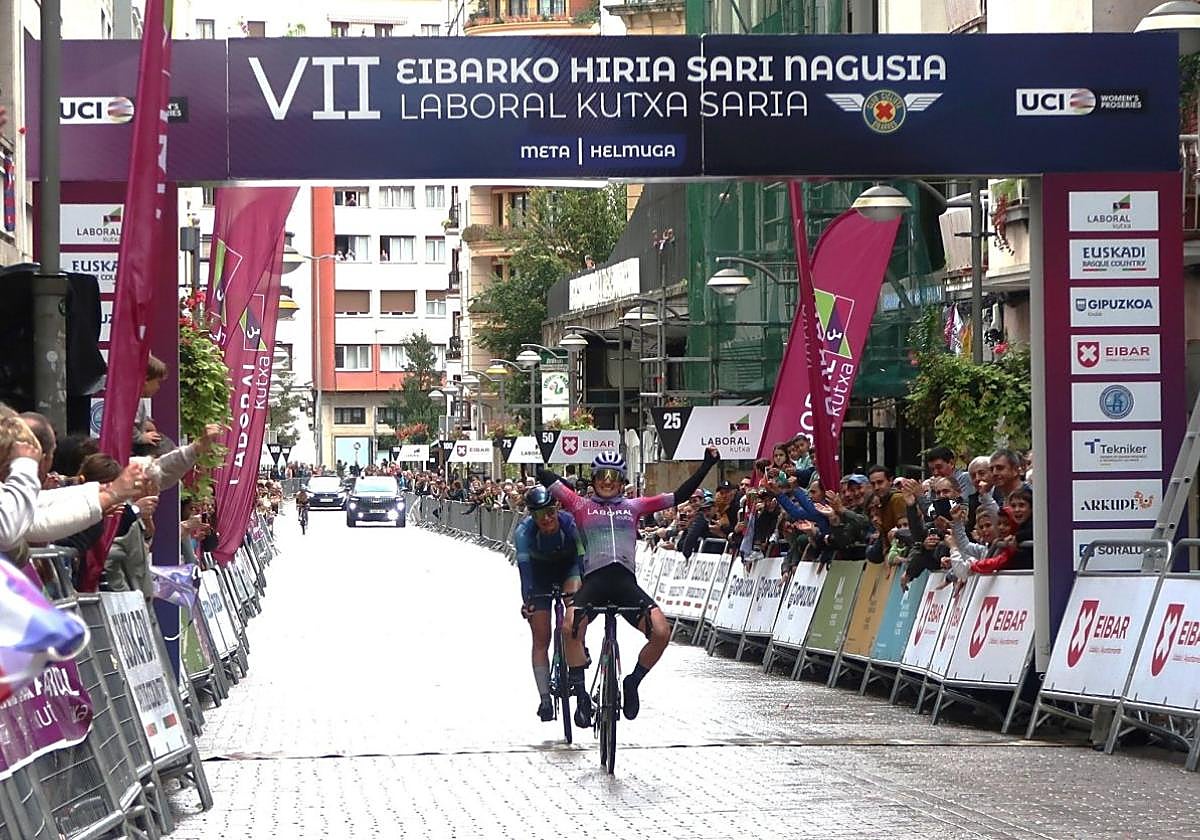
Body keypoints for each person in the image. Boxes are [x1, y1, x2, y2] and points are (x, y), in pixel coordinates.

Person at [538, 446, 721, 727]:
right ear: (594, 479)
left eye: (613, 476)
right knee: (568, 628)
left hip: (625, 584)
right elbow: (546, 476)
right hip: (594, 583)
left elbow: (680, 496)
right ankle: (582, 695)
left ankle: (632, 682)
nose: (607, 481)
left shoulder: (634, 506)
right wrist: (543, 463)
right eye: (601, 475)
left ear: (622, 481)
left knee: (661, 632)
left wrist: (708, 463)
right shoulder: (580, 505)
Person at [514, 486, 585, 722]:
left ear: (557, 509)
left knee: (576, 608)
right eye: (539, 515)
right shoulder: (524, 532)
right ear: (531, 516)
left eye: (550, 512)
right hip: (540, 575)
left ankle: (578, 644)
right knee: (540, 637)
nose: (546, 519)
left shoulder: (569, 523)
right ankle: (545, 699)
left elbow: (582, 559)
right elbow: (525, 573)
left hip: (568, 568)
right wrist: (528, 600)